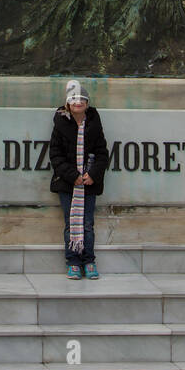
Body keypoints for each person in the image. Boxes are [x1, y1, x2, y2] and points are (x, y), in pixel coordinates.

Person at [49, 79, 109, 279]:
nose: (78, 103)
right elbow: (55, 155)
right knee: (71, 223)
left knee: (87, 224)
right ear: (68, 103)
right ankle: (73, 261)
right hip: (68, 183)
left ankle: (88, 260)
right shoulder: (60, 123)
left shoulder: (94, 124)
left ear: (87, 103)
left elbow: (102, 153)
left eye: (82, 99)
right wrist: (72, 175)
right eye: (74, 99)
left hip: (89, 183)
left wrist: (93, 175)